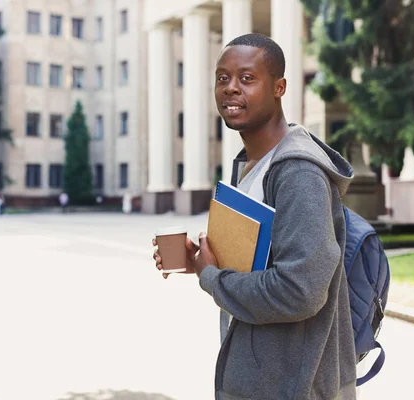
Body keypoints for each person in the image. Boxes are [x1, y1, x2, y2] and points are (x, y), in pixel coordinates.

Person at [152, 33, 357, 399]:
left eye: (247, 78)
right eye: (222, 78)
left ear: (279, 87)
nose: (231, 88)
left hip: (294, 387)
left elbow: (300, 292)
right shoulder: (251, 164)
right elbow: (258, 259)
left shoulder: (297, 173)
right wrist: (200, 259)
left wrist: (213, 278)